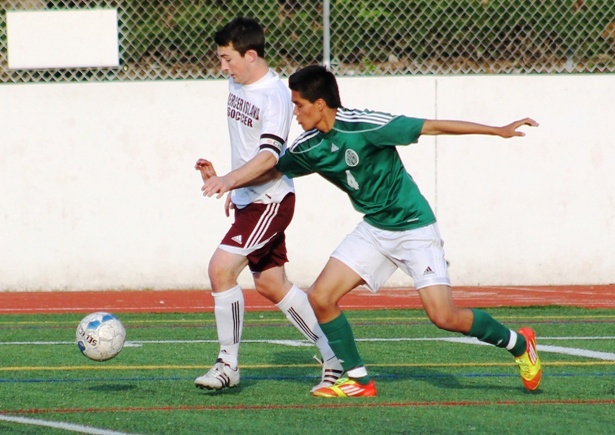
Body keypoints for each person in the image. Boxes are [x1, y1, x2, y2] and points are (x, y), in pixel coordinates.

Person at [200, 64, 543, 398]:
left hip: (414, 228)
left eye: (298, 105)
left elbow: (431, 126)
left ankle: (518, 342)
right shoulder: (309, 146)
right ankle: (360, 380)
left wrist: (497, 130)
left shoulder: (365, 125)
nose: (294, 113)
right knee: (321, 296)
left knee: (444, 316)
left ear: (320, 104)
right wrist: (230, 182)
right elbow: (272, 170)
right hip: (374, 230)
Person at [193, 21, 341, 392]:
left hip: (270, 200)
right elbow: (247, 151)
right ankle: (334, 354)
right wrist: (231, 181)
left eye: (227, 59)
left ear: (251, 55)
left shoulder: (274, 96)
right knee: (273, 285)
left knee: (220, 269)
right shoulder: (236, 83)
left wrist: (230, 179)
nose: (223, 68)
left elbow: (269, 156)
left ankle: (228, 365)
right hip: (250, 198)